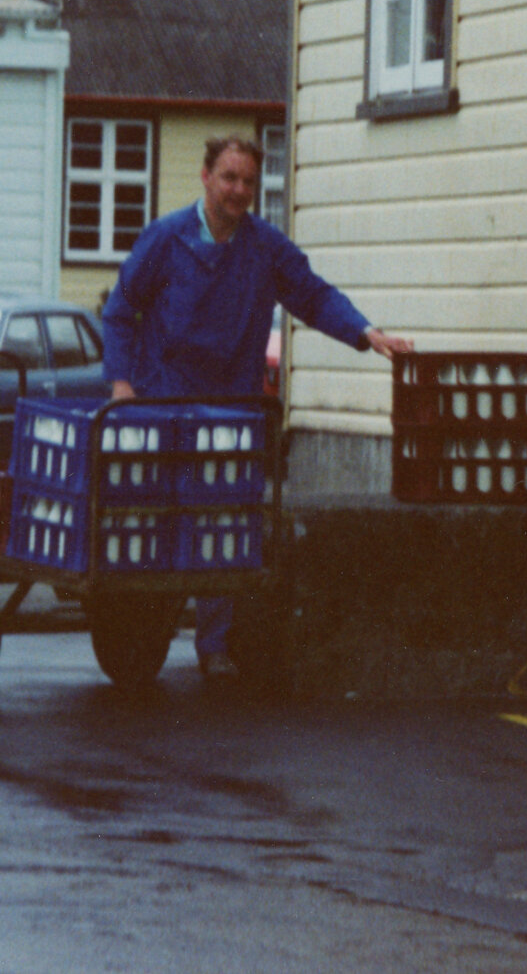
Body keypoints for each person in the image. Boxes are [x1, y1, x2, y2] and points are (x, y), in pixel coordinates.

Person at [101, 134, 412, 677]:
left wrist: (365, 332)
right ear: (206, 176)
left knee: (224, 522)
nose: (238, 190)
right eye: (228, 177)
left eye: (248, 181)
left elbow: (313, 296)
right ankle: (142, 632)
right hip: (164, 405)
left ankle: (214, 645)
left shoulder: (265, 248)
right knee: (159, 521)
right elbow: (120, 311)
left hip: (231, 410)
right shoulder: (166, 238)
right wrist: (122, 384)